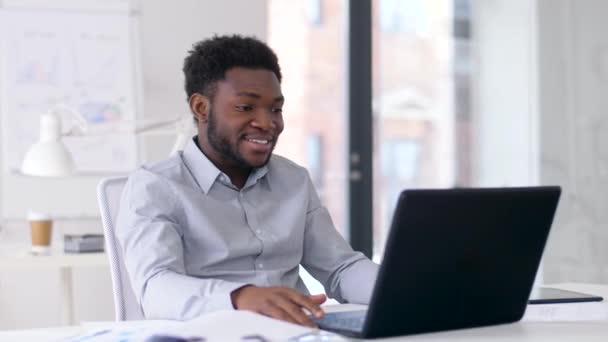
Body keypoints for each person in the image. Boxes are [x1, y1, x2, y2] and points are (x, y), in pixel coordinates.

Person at [116, 34, 379, 327]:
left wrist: (406, 290)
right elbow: (156, 288)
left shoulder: (294, 180)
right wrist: (240, 297)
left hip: (298, 333)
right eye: (245, 107)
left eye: (276, 109)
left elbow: (340, 268)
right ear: (201, 108)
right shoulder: (155, 186)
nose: (268, 123)